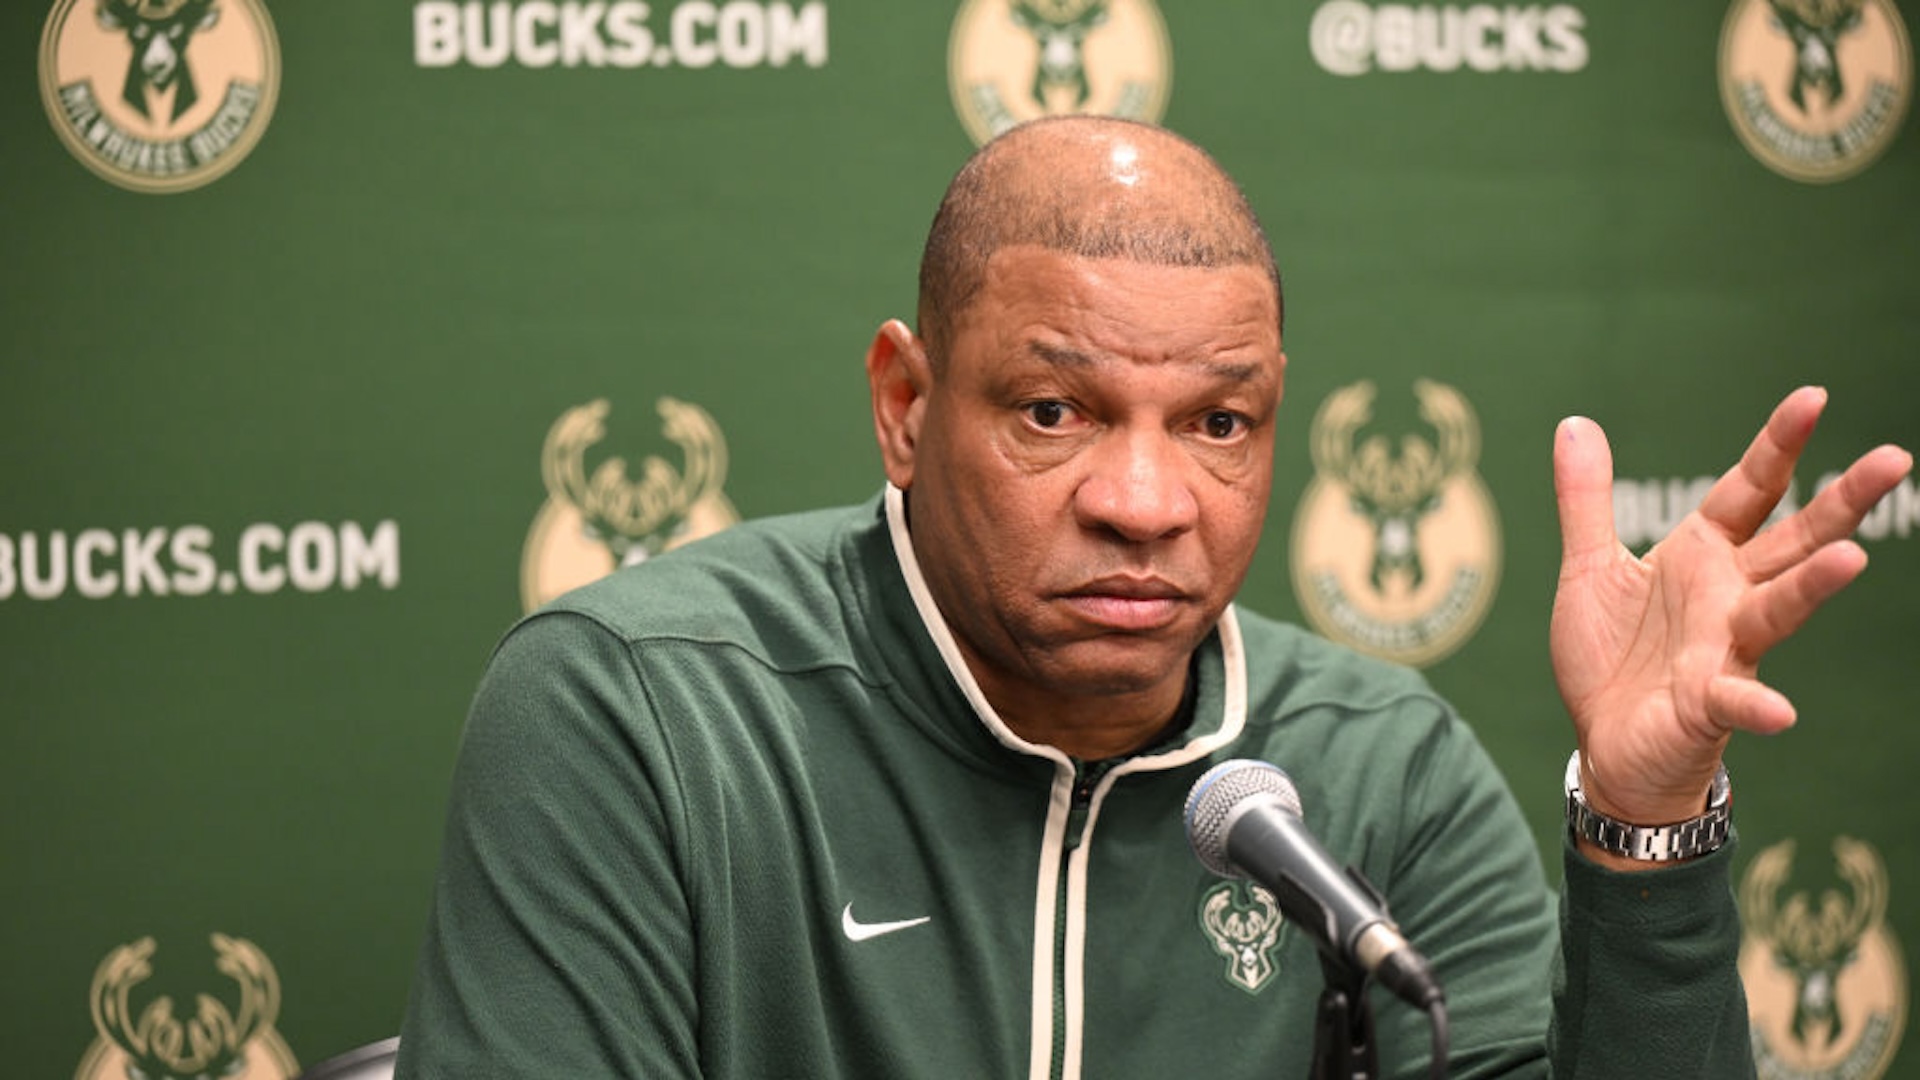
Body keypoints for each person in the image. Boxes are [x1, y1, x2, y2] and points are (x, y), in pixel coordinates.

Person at [393, 116, 1912, 1079]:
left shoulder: (1378, 765)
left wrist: (1646, 823)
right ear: (907, 403)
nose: (1145, 502)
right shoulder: (643, 710)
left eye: (1218, 422)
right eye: (1054, 412)